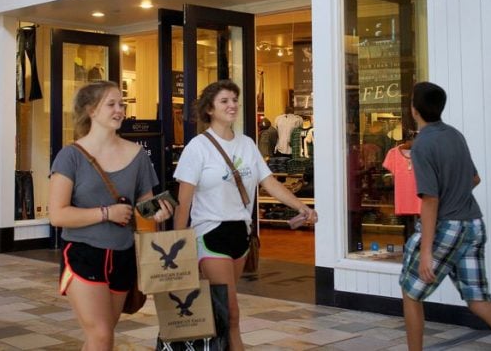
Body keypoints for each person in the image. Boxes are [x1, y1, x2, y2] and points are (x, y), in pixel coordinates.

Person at [173, 79, 318, 351]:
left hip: (241, 234)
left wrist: (301, 207)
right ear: (209, 110)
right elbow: (184, 203)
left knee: (222, 308)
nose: (232, 105)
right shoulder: (198, 147)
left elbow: (270, 183)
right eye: (224, 101)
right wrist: (180, 249)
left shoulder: (247, 144)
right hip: (209, 233)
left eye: (234, 100)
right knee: (231, 311)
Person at [49, 80, 174, 351]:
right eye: (112, 104)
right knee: (101, 336)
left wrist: (158, 213)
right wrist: (107, 213)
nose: (120, 110)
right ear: (91, 110)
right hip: (83, 254)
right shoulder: (70, 156)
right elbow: (57, 215)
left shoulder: (138, 155)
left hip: (124, 256)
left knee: (102, 336)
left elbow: (144, 208)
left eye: (122, 104)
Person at [401, 82, 491, 351]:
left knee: (411, 293)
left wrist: (426, 252)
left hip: (448, 227)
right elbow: (475, 178)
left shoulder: (422, 145)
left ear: (414, 110)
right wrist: (456, 193)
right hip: (474, 224)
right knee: (479, 299)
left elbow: (430, 200)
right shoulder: (454, 135)